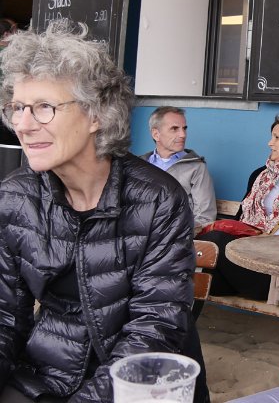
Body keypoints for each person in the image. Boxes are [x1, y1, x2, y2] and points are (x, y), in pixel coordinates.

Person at [0, 21, 209, 403]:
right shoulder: (15, 197)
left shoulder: (158, 200)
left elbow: (154, 330)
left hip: (142, 382)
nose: (23, 125)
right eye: (17, 107)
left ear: (96, 114)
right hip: (47, 375)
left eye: (44, 107)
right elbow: (4, 318)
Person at [198, 116, 279, 304]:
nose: (270, 143)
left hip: (273, 272)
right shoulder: (260, 175)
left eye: (277, 137)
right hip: (239, 262)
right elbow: (240, 220)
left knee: (214, 239)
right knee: (190, 277)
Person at [141, 106, 217, 231]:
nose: (183, 135)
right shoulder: (139, 165)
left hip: (175, 236)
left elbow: (205, 218)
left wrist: (172, 231)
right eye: (174, 129)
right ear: (156, 134)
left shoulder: (196, 167)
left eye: (184, 128)